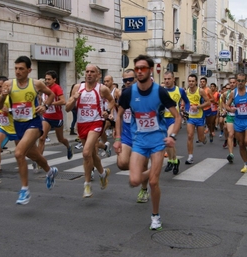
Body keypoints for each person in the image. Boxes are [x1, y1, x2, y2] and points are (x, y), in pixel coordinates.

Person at [114, 55, 181, 230]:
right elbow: (119, 115)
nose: (139, 71)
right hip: (139, 142)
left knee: (152, 183)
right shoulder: (129, 93)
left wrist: (172, 136)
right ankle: (154, 171)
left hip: (158, 142)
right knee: (135, 180)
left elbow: (177, 117)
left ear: (150, 70)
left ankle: (155, 216)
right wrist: (118, 139)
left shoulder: (160, 92)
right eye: (137, 68)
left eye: (143, 68)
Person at [0, 56, 58, 205]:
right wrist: (3, 95)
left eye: (21, 69)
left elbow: (51, 94)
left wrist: (45, 106)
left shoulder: (36, 84)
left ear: (29, 70)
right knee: (34, 155)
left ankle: (25, 190)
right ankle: (50, 171)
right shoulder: (8, 84)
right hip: (18, 124)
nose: (17, 71)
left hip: (34, 123)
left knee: (19, 153)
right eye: (16, 68)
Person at [66, 64, 115, 198]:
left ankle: (87, 185)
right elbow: (67, 108)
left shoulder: (102, 89)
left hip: (96, 122)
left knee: (86, 152)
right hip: (82, 124)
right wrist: (74, 99)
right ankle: (103, 173)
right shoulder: (77, 88)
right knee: (92, 154)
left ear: (98, 75)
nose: (89, 74)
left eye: (92, 72)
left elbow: (111, 101)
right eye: (87, 71)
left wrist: (107, 111)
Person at [115, 68, 150, 203]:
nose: (128, 82)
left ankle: (144, 189)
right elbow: (118, 113)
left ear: (136, 78)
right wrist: (117, 134)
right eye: (125, 80)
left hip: (142, 133)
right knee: (122, 163)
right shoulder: (121, 93)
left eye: (130, 79)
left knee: (144, 164)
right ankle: (139, 167)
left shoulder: (145, 93)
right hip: (127, 132)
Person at [37, 70, 73, 164]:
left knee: (60, 139)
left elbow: (63, 101)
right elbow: (41, 98)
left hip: (57, 118)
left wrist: (50, 103)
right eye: (46, 79)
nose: (47, 81)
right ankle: (39, 161)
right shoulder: (44, 88)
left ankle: (68, 146)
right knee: (42, 138)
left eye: (49, 79)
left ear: (54, 79)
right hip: (46, 117)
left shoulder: (57, 88)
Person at [163, 71, 188, 174]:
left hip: (174, 119)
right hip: (162, 119)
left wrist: (186, 110)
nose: (167, 81)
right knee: (170, 143)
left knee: (168, 138)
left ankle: (170, 161)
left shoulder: (180, 90)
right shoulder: (161, 91)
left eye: (169, 79)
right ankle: (175, 161)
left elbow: (187, 101)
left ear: (173, 79)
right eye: (165, 79)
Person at [185, 74, 211, 164]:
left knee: (200, 138)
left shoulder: (201, 91)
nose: (191, 83)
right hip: (190, 117)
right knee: (190, 136)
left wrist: (198, 106)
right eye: (189, 81)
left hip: (200, 117)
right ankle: (190, 156)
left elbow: (208, 103)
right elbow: (183, 102)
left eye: (193, 81)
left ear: (196, 82)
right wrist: (183, 107)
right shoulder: (186, 92)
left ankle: (203, 138)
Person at [221, 78, 237, 163]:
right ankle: (231, 154)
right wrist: (225, 109)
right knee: (230, 134)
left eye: (234, 82)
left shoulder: (241, 93)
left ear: (236, 83)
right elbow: (223, 102)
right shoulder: (225, 94)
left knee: (240, 137)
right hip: (230, 116)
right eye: (230, 83)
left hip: (240, 117)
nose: (232, 84)